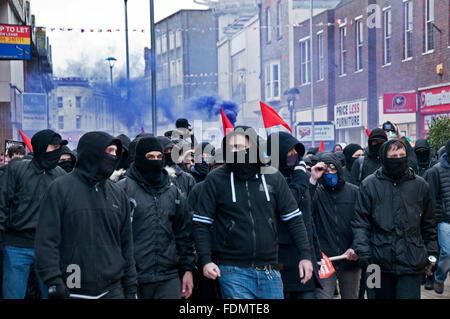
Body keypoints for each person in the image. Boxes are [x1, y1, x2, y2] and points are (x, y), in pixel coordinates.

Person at [192, 126, 312, 299]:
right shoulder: (216, 179)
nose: (235, 151)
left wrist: (305, 255)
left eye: (240, 147)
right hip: (231, 269)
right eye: (231, 147)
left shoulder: (273, 176)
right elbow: (202, 223)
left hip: (270, 269)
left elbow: (293, 219)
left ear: (253, 148)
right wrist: (205, 260)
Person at [34, 131, 137, 299]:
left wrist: (131, 286)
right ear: (93, 152)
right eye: (108, 151)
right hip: (73, 288)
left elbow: (126, 244)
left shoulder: (118, 195)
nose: (113, 156)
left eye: (115, 152)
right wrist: (53, 281)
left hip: (112, 290)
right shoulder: (59, 189)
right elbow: (46, 240)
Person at [352, 138, 438, 299]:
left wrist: (431, 252)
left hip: (411, 261)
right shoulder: (368, 185)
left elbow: (429, 224)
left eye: (401, 155)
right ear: (384, 158)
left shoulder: (420, 185)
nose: (398, 159)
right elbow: (360, 223)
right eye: (393, 156)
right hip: (375, 264)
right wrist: (364, 253)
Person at [118, 136, 195, 299]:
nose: (155, 161)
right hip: (133, 278)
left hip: (168, 277)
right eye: (150, 157)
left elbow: (184, 234)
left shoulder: (173, 192)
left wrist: (188, 270)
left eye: (159, 157)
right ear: (139, 159)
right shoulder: (122, 190)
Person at [0, 129, 67, 299]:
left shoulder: (61, 176)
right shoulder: (16, 171)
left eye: (59, 148)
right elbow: (2, 205)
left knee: (52, 295)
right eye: (53, 148)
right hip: (16, 245)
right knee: (13, 294)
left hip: (49, 248)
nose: (57, 152)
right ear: (40, 147)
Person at [267, 132, 322, 299]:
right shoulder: (269, 178)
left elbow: (307, 216)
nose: (294, 155)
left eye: (295, 151)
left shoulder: (299, 177)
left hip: (304, 254)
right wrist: (300, 178)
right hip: (280, 257)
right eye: (289, 151)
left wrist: (317, 254)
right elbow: (288, 203)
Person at [311, 153, 360, 299]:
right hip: (325, 259)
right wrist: (313, 179)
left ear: (339, 170)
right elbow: (305, 211)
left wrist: (356, 247)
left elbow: (362, 223)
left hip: (349, 257)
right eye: (325, 171)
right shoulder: (316, 193)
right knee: (322, 296)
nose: (330, 173)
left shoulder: (354, 192)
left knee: (351, 296)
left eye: (333, 169)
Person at [188, 148, 224, 300]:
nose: (221, 170)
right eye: (217, 166)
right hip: (205, 255)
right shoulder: (199, 189)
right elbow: (191, 222)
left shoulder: (238, 189)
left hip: (231, 257)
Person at [424, 139, 450, 294]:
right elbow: (431, 199)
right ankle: (439, 278)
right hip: (444, 220)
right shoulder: (436, 171)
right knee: (447, 252)